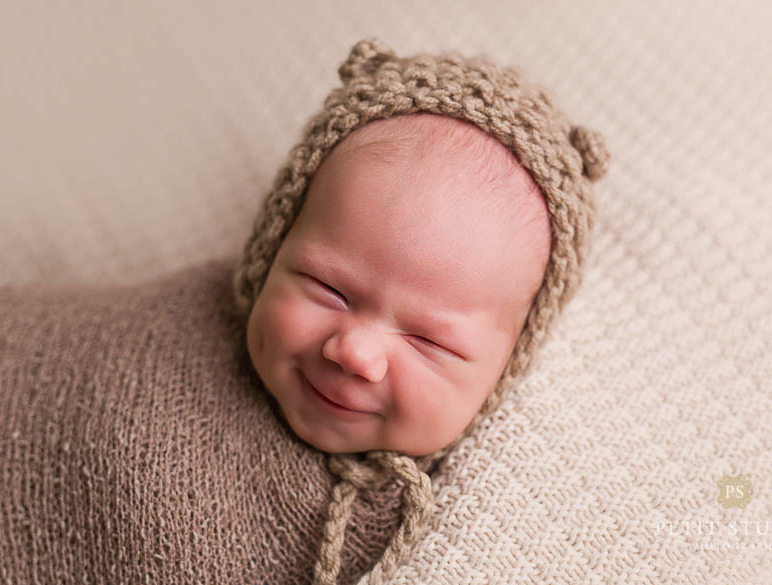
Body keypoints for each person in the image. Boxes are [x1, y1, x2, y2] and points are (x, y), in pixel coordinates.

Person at [232, 37, 610, 585]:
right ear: (272, 246)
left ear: (507, 365)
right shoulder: (167, 349)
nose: (355, 353)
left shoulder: (473, 518)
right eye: (329, 289)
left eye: (428, 341)